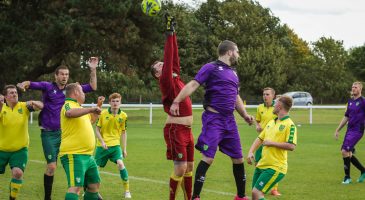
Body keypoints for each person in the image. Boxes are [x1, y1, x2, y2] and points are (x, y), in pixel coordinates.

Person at [170, 40, 254, 200]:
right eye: (237, 51)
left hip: (230, 121)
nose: (238, 54)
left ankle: (241, 196)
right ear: (229, 52)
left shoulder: (234, 73)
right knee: (208, 157)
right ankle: (196, 196)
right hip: (213, 120)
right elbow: (193, 84)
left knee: (238, 158)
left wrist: (245, 115)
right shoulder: (211, 67)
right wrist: (176, 101)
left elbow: (236, 97)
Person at [17, 57, 98, 200]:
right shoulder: (48, 87)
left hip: (65, 134)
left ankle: (90, 192)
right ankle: (47, 197)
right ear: (56, 76)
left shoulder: (72, 89)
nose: (64, 77)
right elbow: (31, 83)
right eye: (62, 74)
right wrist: (24, 84)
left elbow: (92, 86)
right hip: (49, 133)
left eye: (66, 74)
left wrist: (93, 69)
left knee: (81, 165)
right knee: (52, 167)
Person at [150, 15, 194, 200]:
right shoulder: (165, 81)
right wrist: (168, 35)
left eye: (162, 63)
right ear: (157, 74)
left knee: (189, 168)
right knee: (180, 168)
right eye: (159, 65)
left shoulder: (175, 77)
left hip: (187, 130)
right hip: (175, 130)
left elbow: (173, 57)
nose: (163, 64)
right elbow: (169, 58)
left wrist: (174, 34)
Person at [247, 95, 297, 200]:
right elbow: (260, 138)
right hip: (261, 165)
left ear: (279, 106)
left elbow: (291, 146)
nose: (273, 105)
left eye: (275, 103)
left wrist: (271, 143)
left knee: (256, 193)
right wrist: (251, 152)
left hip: (275, 167)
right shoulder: (272, 122)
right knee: (255, 195)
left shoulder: (290, 125)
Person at [59, 83, 102, 199]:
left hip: (88, 156)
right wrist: (91, 109)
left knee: (94, 185)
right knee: (75, 187)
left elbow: (91, 120)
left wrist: (98, 106)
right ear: (76, 92)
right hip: (74, 154)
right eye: (82, 91)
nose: (84, 94)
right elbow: (70, 113)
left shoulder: (81, 108)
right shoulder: (68, 105)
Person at [0, 85, 43, 200]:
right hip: (1, 149)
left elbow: (42, 106)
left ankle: (12, 198)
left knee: (18, 173)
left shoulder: (24, 106)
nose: (15, 94)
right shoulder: (1, 108)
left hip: (20, 150)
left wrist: (33, 101)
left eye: (15, 92)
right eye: (11, 93)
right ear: (5, 97)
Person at [94, 93, 131, 198]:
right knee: (94, 169)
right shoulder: (102, 114)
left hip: (115, 146)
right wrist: (102, 141)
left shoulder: (123, 116)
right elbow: (97, 129)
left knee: (120, 164)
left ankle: (127, 191)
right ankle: (90, 190)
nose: (115, 103)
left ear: (120, 102)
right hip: (102, 146)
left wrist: (124, 149)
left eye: (117, 101)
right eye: (113, 101)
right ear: (109, 103)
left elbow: (124, 132)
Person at [334, 81, 365, 184]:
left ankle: (347, 177)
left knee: (344, 151)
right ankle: (363, 171)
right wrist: (338, 129)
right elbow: (346, 117)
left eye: (355, 87)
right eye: (352, 87)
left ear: (360, 89)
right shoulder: (350, 102)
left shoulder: (363, 101)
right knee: (348, 153)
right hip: (349, 130)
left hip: (358, 130)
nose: (353, 88)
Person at [254, 87, 281, 196]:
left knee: (272, 165)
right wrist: (257, 126)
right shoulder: (260, 107)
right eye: (264, 94)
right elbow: (257, 121)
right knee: (258, 163)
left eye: (267, 94)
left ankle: (274, 189)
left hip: (272, 142)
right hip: (261, 141)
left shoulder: (277, 108)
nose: (265, 96)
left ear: (273, 96)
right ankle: (258, 186)